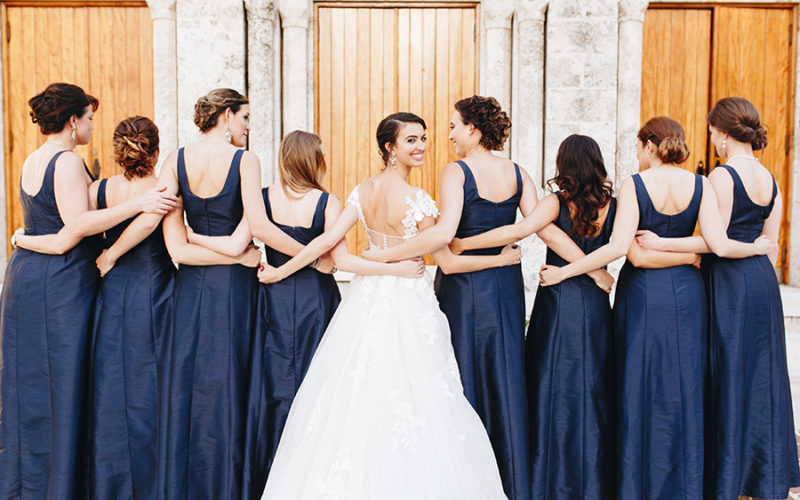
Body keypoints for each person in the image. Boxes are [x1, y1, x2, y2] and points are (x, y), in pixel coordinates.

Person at [257, 112, 512, 499]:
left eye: (424, 138)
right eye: (411, 140)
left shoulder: (363, 191)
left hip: (366, 300)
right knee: (418, 391)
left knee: (362, 391)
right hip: (407, 300)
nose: (422, 146)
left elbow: (332, 253)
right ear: (390, 148)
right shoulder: (418, 201)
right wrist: (499, 260)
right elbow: (448, 261)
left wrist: (282, 271)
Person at [539, 116, 773, 499]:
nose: (636, 152)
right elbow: (715, 243)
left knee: (638, 384)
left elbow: (621, 249)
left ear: (650, 146)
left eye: (637, 145)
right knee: (686, 384)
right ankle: (686, 483)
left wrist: (568, 274)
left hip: (644, 294)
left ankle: (637, 483)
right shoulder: (700, 183)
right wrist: (684, 255)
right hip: (688, 293)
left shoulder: (635, 184)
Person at [0, 83, 177, 498]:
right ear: (72, 120)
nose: (93, 126)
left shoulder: (33, 159)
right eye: (89, 118)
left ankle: (34, 484)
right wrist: (142, 203)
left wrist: (22, 240)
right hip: (58, 282)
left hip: (29, 277)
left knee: (34, 386)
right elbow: (74, 228)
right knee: (64, 385)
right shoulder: (64, 162)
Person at [636, 97, 800, 499]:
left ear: (724, 134)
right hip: (762, 284)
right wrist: (756, 250)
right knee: (759, 375)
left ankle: (728, 479)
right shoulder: (770, 178)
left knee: (727, 373)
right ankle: (761, 475)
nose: (711, 140)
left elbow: (717, 242)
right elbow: (767, 243)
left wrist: (665, 241)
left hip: (729, 282)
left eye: (712, 133)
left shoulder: (723, 178)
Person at [185, 130, 343, 493]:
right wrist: (315, 259)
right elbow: (333, 263)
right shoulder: (327, 203)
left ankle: (269, 472)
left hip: (271, 293)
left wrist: (191, 235)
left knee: (270, 383)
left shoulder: (262, 199)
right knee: (315, 382)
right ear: (313, 160)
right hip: (314, 301)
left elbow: (241, 240)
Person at [149, 88, 264, 498]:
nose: (249, 127)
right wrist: (238, 258)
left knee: (188, 383)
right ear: (227, 115)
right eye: (246, 117)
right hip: (233, 290)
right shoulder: (246, 161)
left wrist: (198, 235)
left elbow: (177, 250)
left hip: (191, 285)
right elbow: (239, 244)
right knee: (231, 381)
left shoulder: (174, 161)